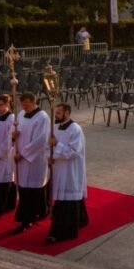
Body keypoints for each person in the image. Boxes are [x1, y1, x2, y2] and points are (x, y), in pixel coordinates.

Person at [46, 103, 88, 245]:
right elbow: (48, 146)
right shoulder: (55, 127)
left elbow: (73, 152)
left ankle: (63, 232)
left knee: (68, 203)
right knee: (61, 201)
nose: (56, 115)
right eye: (55, 113)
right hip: (58, 170)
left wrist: (57, 145)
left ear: (67, 113)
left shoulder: (75, 129)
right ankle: (79, 221)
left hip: (71, 171)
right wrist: (50, 157)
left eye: (58, 113)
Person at [12, 92, 50, 235]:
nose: (24, 106)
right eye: (22, 103)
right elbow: (16, 131)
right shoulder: (21, 114)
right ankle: (40, 210)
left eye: (27, 103)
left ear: (34, 103)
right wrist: (13, 136)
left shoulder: (42, 118)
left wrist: (23, 154)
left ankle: (28, 219)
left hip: (34, 159)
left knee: (32, 189)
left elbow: (40, 140)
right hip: (20, 156)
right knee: (24, 188)